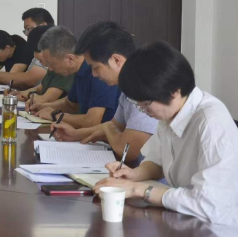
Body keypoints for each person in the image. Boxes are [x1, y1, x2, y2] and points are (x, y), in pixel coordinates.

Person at [94, 41, 238, 237]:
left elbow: (208, 204)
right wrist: (133, 174)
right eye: (139, 105)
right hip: (192, 226)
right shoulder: (170, 113)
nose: (144, 111)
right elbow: (157, 161)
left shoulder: (211, 122)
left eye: (145, 104)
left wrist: (138, 189)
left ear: (174, 91)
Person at [49, 21, 158, 165]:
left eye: (95, 68)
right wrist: (74, 134)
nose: (94, 74)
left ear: (116, 60)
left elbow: (128, 151)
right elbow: (115, 126)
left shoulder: (144, 87)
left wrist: (107, 128)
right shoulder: (127, 88)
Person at [30, 26, 120, 128]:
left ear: (70, 59)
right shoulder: (78, 71)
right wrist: (43, 107)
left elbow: (92, 121)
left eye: (52, 64)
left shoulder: (98, 73)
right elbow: (70, 104)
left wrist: (55, 115)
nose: (50, 69)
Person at [15, 26, 75, 110]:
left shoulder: (64, 70)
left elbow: (48, 99)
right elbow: (40, 88)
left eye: (40, 59)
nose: (49, 68)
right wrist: (24, 93)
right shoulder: (54, 66)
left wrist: (30, 96)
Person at [0, 25, 50, 89]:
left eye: (28, 28)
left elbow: (26, 79)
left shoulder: (24, 51)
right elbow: (34, 87)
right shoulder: (6, 52)